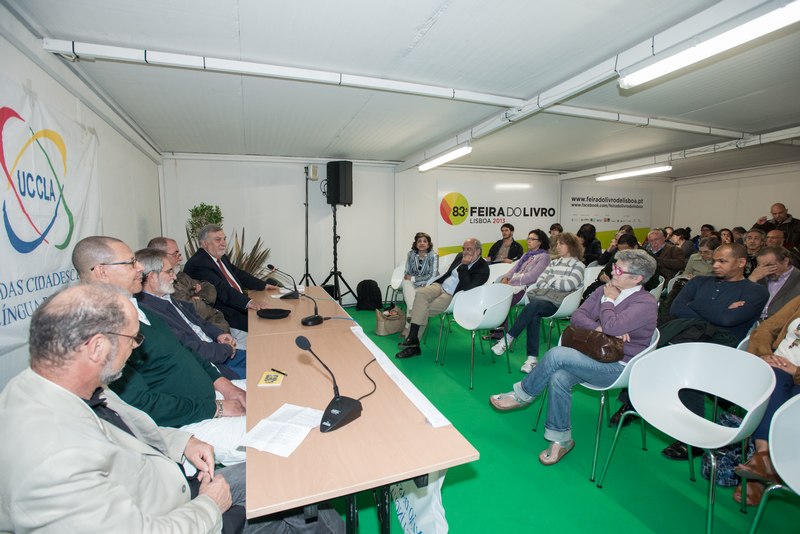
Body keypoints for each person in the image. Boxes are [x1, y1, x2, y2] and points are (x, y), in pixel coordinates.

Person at [0, 284, 344, 533]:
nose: (136, 350)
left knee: (287, 479)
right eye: (133, 340)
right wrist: (210, 505)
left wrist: (181, 443)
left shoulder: (57, 384)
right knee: (289, 497)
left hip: (173, 483)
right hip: (180, 512)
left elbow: (128, 427)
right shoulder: (54, 458)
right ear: (97, 347)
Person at [72, 236, 248, 465]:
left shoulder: (137, 307)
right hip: (188, 422)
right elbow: (143, 407)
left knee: (276, 396)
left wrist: (226, 387)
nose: (140, 269)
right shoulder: (102, 331)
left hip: (209, 398)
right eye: (130, 263)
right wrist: (217, 408)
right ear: (101, 271)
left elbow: (187, 351)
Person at [489, 250, 658, 465]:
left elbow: (613, 325)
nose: (612, 272)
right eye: (614, 266)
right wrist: (600, 328)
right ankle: (561, 439)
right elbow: (577, 317)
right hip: (591, 354)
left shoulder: (645, 303)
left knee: (557, 355)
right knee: (558, 376)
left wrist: (608, 302)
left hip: (617, 367)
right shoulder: (604, 289)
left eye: (618, 270)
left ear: (637, 279)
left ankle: (522, 394)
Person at [657, 243, 768, 460]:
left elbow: (729, 320)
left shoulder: (756, 291)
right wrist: (719, 311)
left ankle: (693, 437)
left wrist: (696, 304)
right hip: (690, 337)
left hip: (725, 347)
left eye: (722, 261)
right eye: (714, 260)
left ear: (742, 263)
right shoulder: (700, 281)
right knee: (665, 355)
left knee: (688, 365)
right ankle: (639, 405)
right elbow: (677, 308)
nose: (715, 265)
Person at [136, 247, 247, 379]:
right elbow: (191, 349)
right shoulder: (148, 313)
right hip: (210, 368)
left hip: (218, 352)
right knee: (266, 373)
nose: (174, 277)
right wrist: (226, 349)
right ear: (152, 277)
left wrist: (218, 334)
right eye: (169, 271)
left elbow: (199, 321)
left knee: (271, 358)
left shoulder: (167, 296)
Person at [733, 294, 800, 506]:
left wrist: (797, 370)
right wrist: (765, 354)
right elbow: (766, 328)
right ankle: (764, 459)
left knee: (792, 404)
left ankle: (760, 467)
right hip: (778, 366)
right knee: (774, 384)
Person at [491, 232, 585, 373]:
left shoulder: (578, 265)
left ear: (571, 245)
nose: (557, 247)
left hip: (561, 303)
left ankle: (508, 339)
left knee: (532, 307)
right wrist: (551, 281)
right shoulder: (554, 262)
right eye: (557, 244)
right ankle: (531, 359)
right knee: (533, 312)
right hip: (544, 300)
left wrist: (550, 280)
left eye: (561, 244)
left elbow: (568, 286)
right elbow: (540, 281)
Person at [395, 238, 489, 358]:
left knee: (423, 308)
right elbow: (449, 273)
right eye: (464, 249)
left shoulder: (483, 268)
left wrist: (464, 266)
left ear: (478, 251)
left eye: (469, 249)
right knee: (421, 294)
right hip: (440, 285)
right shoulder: (460, 256)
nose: (464, 252)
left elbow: (467, 288)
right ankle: (413, 339)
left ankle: (413, 343)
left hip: (454, 296)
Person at [184, 224, 274, 339]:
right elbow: (221, 289)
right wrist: (249, 303)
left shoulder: (220, 257)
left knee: (274, 320)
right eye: (218, 239)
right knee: (266, 330)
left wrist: (264, 285)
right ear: (204, 243)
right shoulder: (199, 263)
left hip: (237, 306)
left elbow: (238, 273)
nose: (223, 243)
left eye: (224, 239)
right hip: (226, 316)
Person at [148, 236, 230, 332]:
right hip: (212, 333)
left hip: (220, 327)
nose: (180, 258)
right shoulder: (165, 287)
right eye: (176, 254)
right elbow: (194, 310)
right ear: (160, 257)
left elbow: (209, 287)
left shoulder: (180, 275)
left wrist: (198, 297)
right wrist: (198, 297)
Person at [485, 229, 551, 339]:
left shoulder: (544, 257)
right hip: (515, 284)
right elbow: (514, 269)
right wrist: (505, 278)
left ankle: (500, 333)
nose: (529, 241)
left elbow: (532, 277)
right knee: (496, 296)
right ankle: (497, 329)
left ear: (540, 242)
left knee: (502, 301)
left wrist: (511, 282)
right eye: (528, 238)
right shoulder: (527, 254)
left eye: (532, 239)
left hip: (528, 288)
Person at [582, 233, 660, 302]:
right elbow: (605, 270)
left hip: (631, 291)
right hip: (613, 286)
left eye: (626, 250)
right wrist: (602, 275)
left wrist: (624, 286)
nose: (623, 253)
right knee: (591, 294)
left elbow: (652, 283)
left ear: (635, 247)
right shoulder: (619, 255)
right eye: (620, 250)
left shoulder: (649, 260)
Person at [748, 246, 800, 320]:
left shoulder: (797, 279)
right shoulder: (758, 277)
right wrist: (751, 279)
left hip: (782, 325)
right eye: (760, 266)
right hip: (751, 322)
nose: (765, 270)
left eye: (769, 265)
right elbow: (739, 300)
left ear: (785, 261)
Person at [401, 232, 439, 331]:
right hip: (414, 283)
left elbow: (432, 275)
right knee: (405, 283)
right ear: (416, 244)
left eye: (425, 241)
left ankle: (407, 328)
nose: (422, 243)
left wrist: (414, 279)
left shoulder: (433, 256)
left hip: (427, 284)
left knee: (415, 296)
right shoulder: (411, 254)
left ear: (429, 244)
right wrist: (411, 278)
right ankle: (412, 309)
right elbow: (407, 272)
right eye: (419, 241)